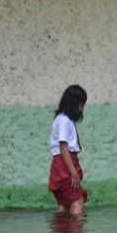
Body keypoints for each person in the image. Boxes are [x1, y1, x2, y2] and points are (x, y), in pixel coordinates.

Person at [48, 85, 88, 215]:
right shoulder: (64, 120)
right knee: (78, 202)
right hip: (65, 167)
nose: (82, 110)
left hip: (60, 166)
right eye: (81, 106)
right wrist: (74, 173)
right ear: (73, 104)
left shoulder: (62, 119)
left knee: (64, 204)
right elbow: (63, 147)